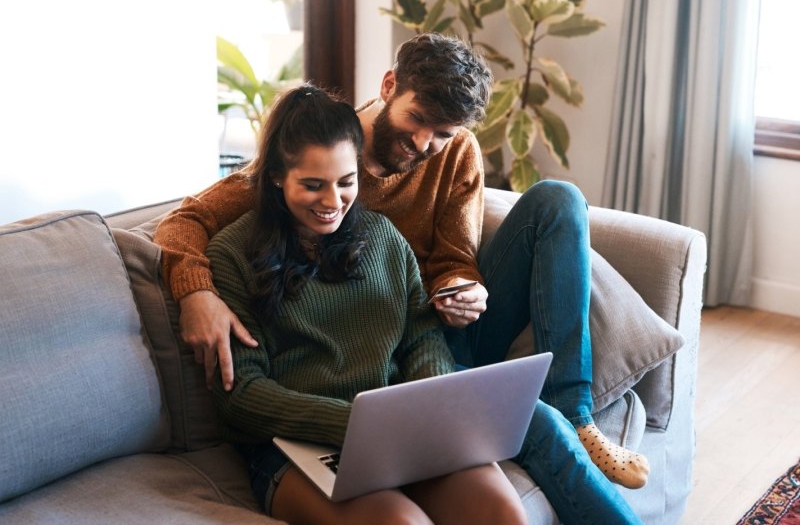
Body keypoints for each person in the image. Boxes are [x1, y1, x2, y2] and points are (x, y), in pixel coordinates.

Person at [154, 33, 645, 522]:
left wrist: (461, 293)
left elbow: (446, 271)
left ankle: (575, 410)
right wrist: (195, 290)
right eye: (417, 121)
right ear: (389, 86)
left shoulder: (416, 198)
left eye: (442, 133)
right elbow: (183, 223)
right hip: (334, 417)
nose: (422, 144)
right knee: (527, 430)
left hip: (421, 346)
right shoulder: (279, 194)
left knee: (559, 200)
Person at [205, 84, 527, 523]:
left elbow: (423, 336)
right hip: (294, 445)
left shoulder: (383, 237)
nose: (333, 202)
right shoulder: (231, 253)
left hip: (398, 431)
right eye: (313, 185)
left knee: (504, 513)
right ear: (278, 175)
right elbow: (240, 393)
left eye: (346, 182)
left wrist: (427, 402)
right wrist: (355, 424)